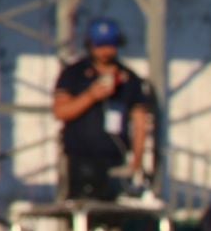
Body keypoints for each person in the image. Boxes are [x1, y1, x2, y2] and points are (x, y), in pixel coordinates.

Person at [51, 18, 153, 203]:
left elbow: (140, 121)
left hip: (114, 159)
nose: (105, 51)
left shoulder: (129, 79)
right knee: (82, 206)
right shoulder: (74, 74)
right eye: (100, 45)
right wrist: (91, 96)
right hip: (80, 158)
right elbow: (60, 111)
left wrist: (137, 160)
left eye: (110, 45)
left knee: (114, 210)